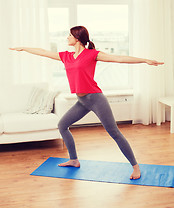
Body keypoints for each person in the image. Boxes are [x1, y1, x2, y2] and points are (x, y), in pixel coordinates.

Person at [9, 26, 164, 180]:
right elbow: (43, 52)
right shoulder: (66, 56)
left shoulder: (92, 54)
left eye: (69, 35)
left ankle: (135, 167)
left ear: (77, 38)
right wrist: (24, 48)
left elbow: (119, 58)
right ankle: (74, 159)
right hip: (82, 101)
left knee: (114, 132)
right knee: (62, 125)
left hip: (95, 98)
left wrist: (145, 60)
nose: (67, 38)